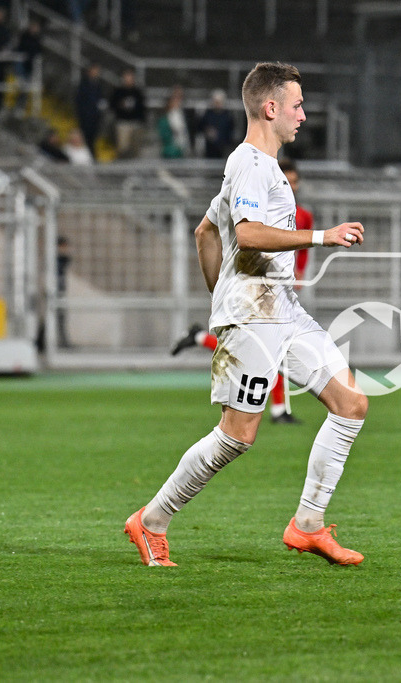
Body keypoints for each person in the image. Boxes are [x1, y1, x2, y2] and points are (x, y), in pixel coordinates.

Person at [126, 62, 368, 567]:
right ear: (270, 107)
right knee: (238, 436)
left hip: (282, 309)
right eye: (297, 105)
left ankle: (307, 526)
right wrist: (321, 237)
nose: (303, 115)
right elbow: (250, 233)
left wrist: (220, 295)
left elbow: (206, 233)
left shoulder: (256, 167)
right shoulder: (250, 164)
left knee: (351, 404)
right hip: (255, 318)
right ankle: (151, 521)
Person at [170, 157, 313, 425]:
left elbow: (300, 250)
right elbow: (218, 235)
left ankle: (199, 338)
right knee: (262, 348)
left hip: (281, 290)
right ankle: (273, 410)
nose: (291, 187)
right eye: (287, 181)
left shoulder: (302, 214)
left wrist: (299, 275)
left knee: (268, 349)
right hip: (253, 288)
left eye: (294, 182)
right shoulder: (254, 210)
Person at [109, 68, 146, 159]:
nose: (128, 79)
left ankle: (134, 169)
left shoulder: (137, 92)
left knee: (135, 149)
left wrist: (141, 121)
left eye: (130, 77)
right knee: (123, 149)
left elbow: (142, 108)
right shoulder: (118, 91)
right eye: (127, 77)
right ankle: (122, 169)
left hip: (135, 124)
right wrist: (120, 106)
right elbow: (112, 105)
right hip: (123, 123)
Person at [75, 63, 106, 157]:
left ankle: (92, 156)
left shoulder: (98, 85)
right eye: (95, 70)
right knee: (86, 138)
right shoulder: (83, 85)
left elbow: (100, 99)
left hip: (95, 117)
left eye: (98, 71)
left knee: (93, 138)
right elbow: (79, 101)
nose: (96, 73)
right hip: (86, 117)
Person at [199, 89, 236, 159]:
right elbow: (200, 127)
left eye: (219, 102)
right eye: (215, 101)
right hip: (209, 148)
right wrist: (207, 131)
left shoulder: (227, 116)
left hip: (223, 148)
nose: (217, 104)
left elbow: (230, 132)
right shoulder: (208, 114)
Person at [157, 85, 191, 158]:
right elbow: (165, 136)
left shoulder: (183, 115)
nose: (177, 102)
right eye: (175, 100)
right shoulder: (164, 119)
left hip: (182, 150)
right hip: (170, 151)